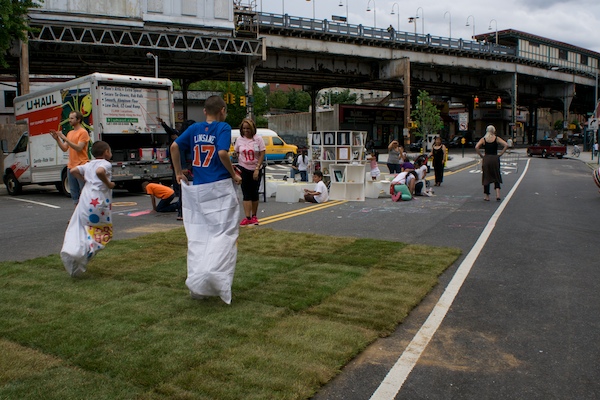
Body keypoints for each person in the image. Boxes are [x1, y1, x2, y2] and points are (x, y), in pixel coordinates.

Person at [170, 95, 242, 304]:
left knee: (199, 236)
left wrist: (178, 172)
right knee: (224, 235)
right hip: (219, 188)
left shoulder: (194, 129)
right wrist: (233, 174)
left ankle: (197, 282)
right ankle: (215, 277)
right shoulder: (223, 127)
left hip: (199, 189)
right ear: (222, 110)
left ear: (204, 111)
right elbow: (221, 152)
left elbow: (175, 147)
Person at [60, 141, 115, 277]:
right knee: (103, 231)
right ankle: (87, 250)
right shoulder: (106, 164)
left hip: (85, 199)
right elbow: (100, 171)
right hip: (98, 201)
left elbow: (73, 171)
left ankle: (76, 250)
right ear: (106, 152)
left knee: (84, 229)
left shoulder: (88, 164)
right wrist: (108, 183)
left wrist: (85, 179)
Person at [50, 110, 90, 206]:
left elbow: (79, 148)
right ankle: (77, 216)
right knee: (74, 194)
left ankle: (86, 215)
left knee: (84, 192)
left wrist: (65, 139)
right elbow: (64, 148)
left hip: (81, 165)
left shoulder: (83, 132)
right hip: (71, 166)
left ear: (78, 119)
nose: (69, 120)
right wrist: (57, 139)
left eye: (72, 118)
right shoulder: (70, 133)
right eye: (69, 118)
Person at [234, 118, 266, 226]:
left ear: (252, 129)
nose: (246, 130)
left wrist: (257, 168)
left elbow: (262, 153)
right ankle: (247, 217)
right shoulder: (239, 139)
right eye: (244, 128)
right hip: (244, 168)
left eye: (248, 128)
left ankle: (254, 216)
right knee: (246, 193)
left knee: (254, 192)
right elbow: (237, 151)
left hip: (255, 168)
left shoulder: (258, 139)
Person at [475, 125, 508, 201]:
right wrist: (501, 154)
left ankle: (487, 196)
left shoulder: (484, 139)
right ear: (494, 131)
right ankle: (498, 194)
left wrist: (481, 155)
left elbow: (476, 147)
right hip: (495, 158)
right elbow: (506, 145)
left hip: (486, 158)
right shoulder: (496, 138)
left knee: (486, 176)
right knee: (496, 175)